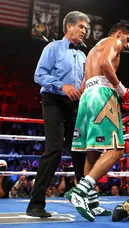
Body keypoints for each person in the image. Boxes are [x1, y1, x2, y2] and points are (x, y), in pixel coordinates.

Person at [64, 23, 129, 222]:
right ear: (120, 33)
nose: (128, 44)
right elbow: (106, 63)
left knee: (92, 151)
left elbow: (83, 83)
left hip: (87, 96)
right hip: (101, 95)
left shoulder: (92, 51)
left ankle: (92, 202)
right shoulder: (114, 41)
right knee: (117, 149)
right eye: (128, 39)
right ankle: (79, 191)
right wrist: (121, 89)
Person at [26, 11, 89, 217]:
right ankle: (35, 204)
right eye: (80, 26)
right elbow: (39, 75)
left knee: (80, 151)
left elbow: (83, 83)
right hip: (53, 101)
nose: (84, 31)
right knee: (53, 150)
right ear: (68, 26)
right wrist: (62, 86)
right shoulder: (52, 48)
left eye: (85, 28)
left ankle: (88, 199)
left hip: (75, 105)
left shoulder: (82, 55)